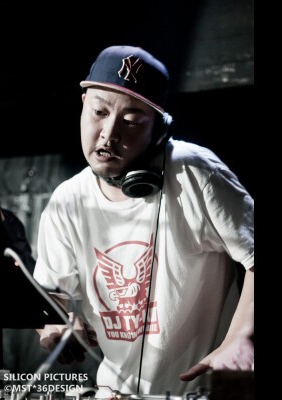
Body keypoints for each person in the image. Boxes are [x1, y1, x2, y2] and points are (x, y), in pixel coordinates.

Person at [33, 45, 254, 396]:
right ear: (83, 105)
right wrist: (55, 323)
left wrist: (242, 338)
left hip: (200, 391)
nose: (108, 134)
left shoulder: (195, 173)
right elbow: (51, 295)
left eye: (132, 120)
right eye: (99, 112)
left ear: (159, 130)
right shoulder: (67, 201)